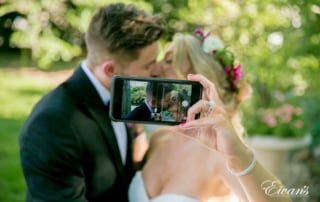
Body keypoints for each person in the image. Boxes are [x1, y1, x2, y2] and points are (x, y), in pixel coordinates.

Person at [19, 3, 165, 201]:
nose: (158, 70)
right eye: (149, 65)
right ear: (111, 70)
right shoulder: (53, 124)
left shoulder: (125, 91)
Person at [128, 32, 292, 201]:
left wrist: (239, 155)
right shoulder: (157, 138)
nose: (155, 69)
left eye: (169, 61)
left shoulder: (220, 154)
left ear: (200, 76)